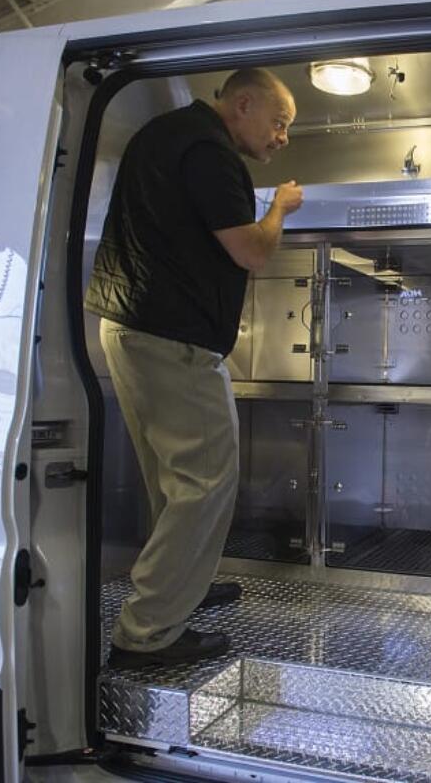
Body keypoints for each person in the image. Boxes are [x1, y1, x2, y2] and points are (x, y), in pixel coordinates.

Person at [85, 68, 304, 668]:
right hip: (172, 339)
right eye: (279, 122)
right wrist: (279, 207)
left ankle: (183, 587)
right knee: (206, 480)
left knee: (172, 480)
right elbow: (253, 251)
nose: (282, 137)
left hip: (128, 329)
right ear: (243, 103)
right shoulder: (209, 151)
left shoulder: (163, 135)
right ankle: (147, 634)